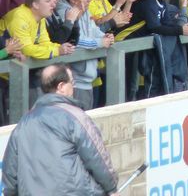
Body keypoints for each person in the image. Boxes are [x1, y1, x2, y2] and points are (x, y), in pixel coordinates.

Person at [2, 64, 120, 195]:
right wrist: (111, 188)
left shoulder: (23, 124)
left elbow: (10, 172)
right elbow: (96, 156)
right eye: (72, 82)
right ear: (61, 87)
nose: (73, 86)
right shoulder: (75, 117)